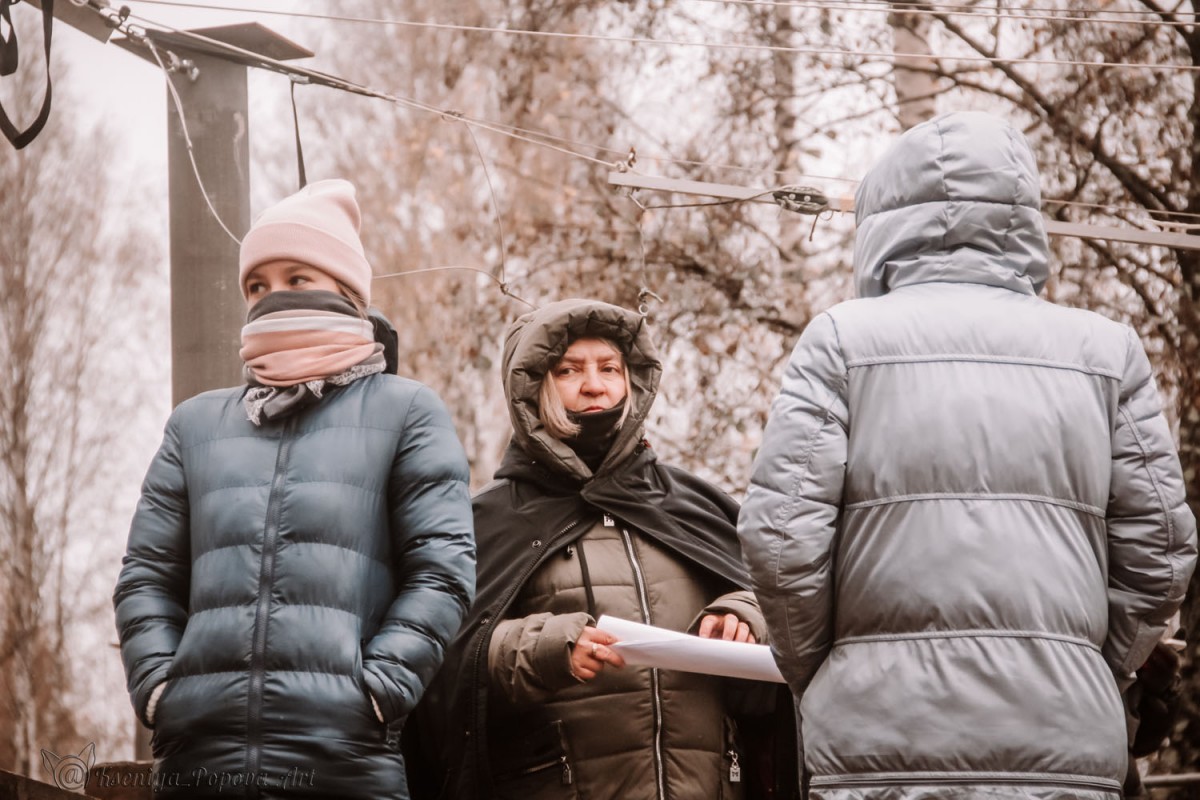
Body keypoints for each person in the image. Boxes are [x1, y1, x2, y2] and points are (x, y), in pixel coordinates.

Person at [737, 111, 1198, 800]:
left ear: (882, 220)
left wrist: (824, 673)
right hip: (1063, 740)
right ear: (1022, 217)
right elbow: (1161, 548)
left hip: (880, 742)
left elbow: (780, 541)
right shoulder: (1107, 351)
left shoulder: (839, 341)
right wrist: (1095, 667)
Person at [113, 179, 476, 799]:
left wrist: (377, 693)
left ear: (347, 288)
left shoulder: (407, 411)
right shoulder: (194, 424)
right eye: (257, 285)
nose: (273, 296)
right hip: (199, 764)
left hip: (345, 761)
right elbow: (146, 577)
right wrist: (160, 691)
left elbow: (442, 571)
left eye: (297, 277)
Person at [404, 299, 798, 800]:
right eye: (569, 370)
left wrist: (746, 613)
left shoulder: (692, 504)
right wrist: (540, 647)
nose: (594, 385)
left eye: (609, 368)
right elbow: (442, 667)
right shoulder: (487, 522)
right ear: (532, 387)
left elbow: (785, 603)